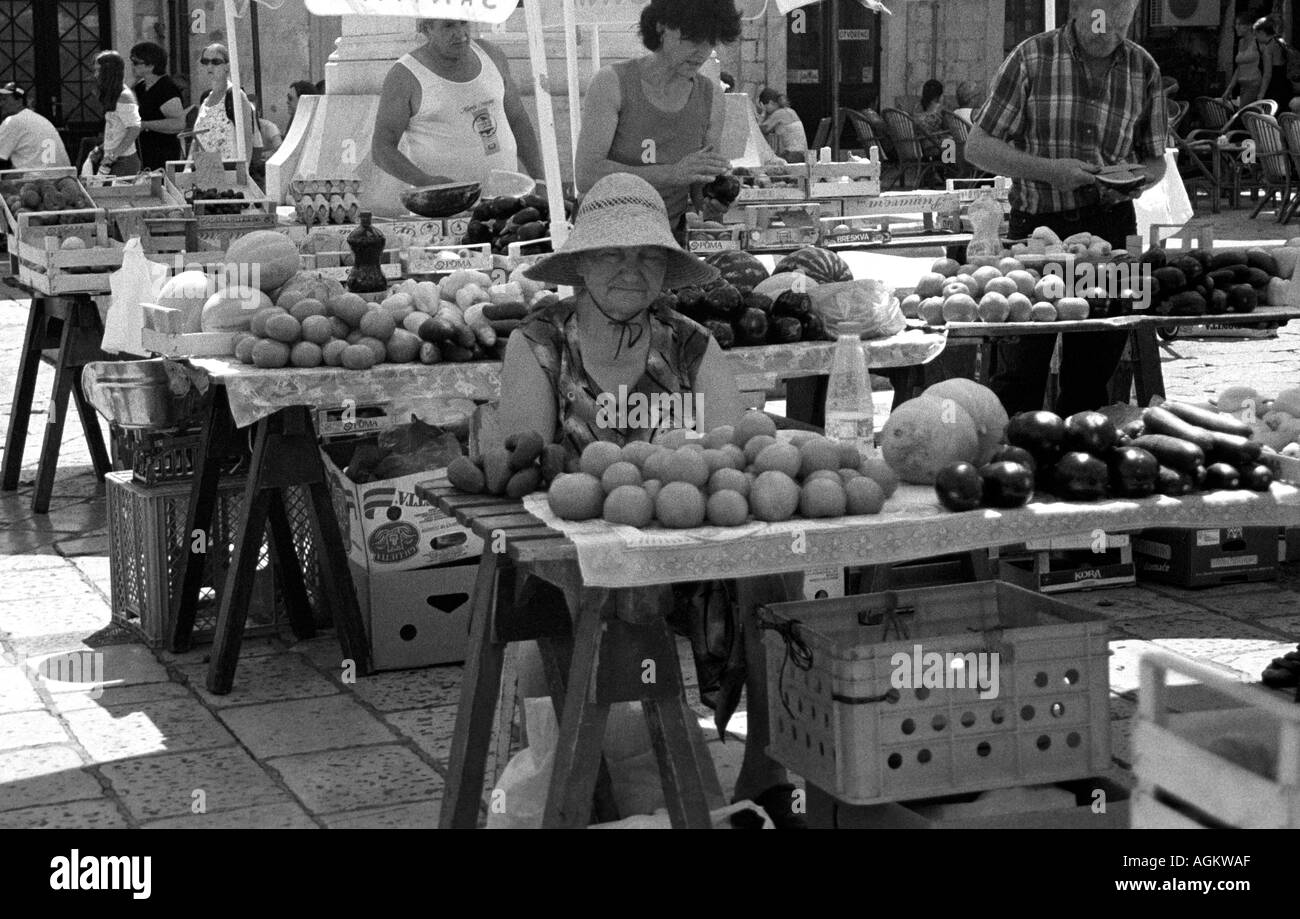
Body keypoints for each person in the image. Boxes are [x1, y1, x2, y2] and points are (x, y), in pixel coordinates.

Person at [499, 172, 804, 828]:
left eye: (645, 255)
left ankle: (766, 773)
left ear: (665, 269)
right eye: (612, 253)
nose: (630, 269)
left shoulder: (691, 343)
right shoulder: (540, 344)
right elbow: (529, 474)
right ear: (580, 266)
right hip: (577, 554)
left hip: (685, 545)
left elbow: (728, 458)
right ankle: (588, 782)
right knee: (581, 617)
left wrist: (677, 490)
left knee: (772, 578)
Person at [965, 0, 1167, 417]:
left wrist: (1135, 178)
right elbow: (978, 147)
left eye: (1118, 25)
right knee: (1021, 369)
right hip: (1037, 231)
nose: (1105, 32)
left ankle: (1076, 465)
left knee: (1094, 373)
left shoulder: (1143, 68)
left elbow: (1156, 159)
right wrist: (1048, 172)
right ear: (1076, 8)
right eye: (1098, 21)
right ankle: (1011, 460)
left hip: (1112, 232)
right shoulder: (1031, 56)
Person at [575, 0, 741, 245]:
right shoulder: (612, 83)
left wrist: (713, 200)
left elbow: (699, 184)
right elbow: (587, 174)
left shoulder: (711, 96)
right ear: (662, 27)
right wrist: (671, 173)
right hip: (605, 240)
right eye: (692, 39)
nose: (702, 52)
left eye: (711, 41)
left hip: (667, 241)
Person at [372, 18, 542, 190]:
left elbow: (518, 119)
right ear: (426, 29)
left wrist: (541, 181)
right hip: (443, 205)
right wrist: (424, 181)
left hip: (505, 200)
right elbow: (381, 148)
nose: (460, 33)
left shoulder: (491, 54)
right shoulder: (404, 76)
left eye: (463, 23)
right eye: (448, 26)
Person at [185, 43, 256, 167]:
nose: (209, 66)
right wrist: (187, 167)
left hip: (229, 171)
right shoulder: (205, 101)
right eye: (205, 61)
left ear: (227, 67)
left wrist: (244, 171)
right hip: (205, 172)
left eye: (215, 61)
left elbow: (247, 138)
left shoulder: (236, 96)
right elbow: (196, 139)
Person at [129, 41, 184, 169]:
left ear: (151, 65)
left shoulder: (166, 89)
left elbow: (178, 123)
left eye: (136, 63)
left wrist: (146, 125)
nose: (132, 66)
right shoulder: (140, 87)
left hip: (163, 154)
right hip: (144, 153)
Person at [93, 51, 142, 176]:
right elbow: (116, 131)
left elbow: (134, 128)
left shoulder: (124, 96)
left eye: (99, 71)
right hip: (114, 160)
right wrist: (101, 148)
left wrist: (114, 155)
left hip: (124, 161)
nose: (96, 75)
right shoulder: (114, 95)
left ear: (109, 73)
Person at [0, 84, 69, 170]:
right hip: (63, 178)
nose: (1, 104)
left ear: (19, 101)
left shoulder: (12, 121)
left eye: (4, 99)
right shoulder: (40, 119)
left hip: (35, 179)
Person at [757, 88, 808, 161]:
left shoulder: (778, 114)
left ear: (771, 103)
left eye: (765, 107)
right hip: (801, 155)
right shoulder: (790, 111)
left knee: (768, 161)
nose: (766, 110)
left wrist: (763, 113)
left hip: (793, 155)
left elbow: (760, 130)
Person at [1254, 17, 1293, 112]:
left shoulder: (1268, 48)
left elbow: (1267, 74)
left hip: (1274, 88)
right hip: (1285, 86)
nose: (1256, 37)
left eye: (1256, 34)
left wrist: (1261, 94)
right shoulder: (1280, 42)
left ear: (1262, 33)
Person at [1224, 12, 1262, 107]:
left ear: (1249, 26)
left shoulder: (1257, 41)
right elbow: (1239, 68)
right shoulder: (1241, 42)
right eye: (1236, 24)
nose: (1236, 27)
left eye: (1240, 25)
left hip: (1254, 84)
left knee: (1242, 114)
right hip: (1243, 85)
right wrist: (1229, 88)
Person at [915, 78, 946, 155]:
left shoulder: (917, 114)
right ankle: (952, 165)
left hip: (922, 148)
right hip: (933, 148)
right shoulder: (937, 116)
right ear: (938, 97)